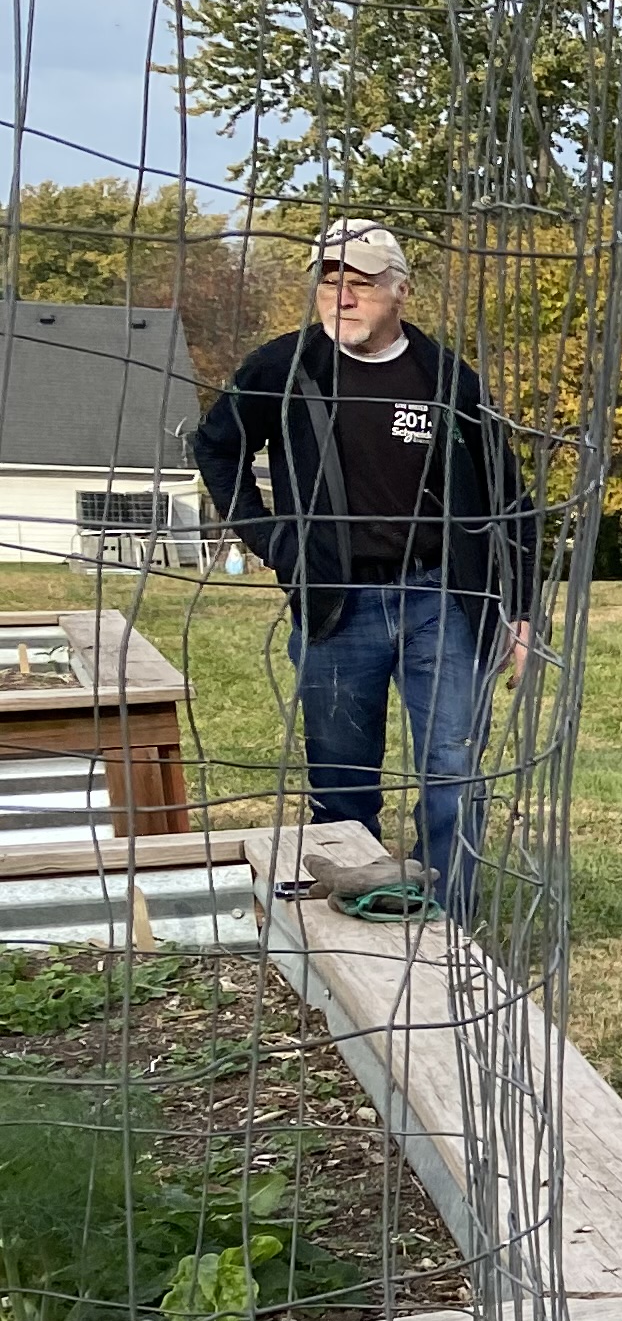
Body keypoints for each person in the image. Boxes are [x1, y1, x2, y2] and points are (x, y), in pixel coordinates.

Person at [192, 220, 534, 910]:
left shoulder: (446, 378)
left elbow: (508, 495)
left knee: (453, 770)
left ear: (400, 291)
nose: (341, 295)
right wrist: (275, 540)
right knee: (342, 783)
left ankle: (447, 924)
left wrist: (519, 612)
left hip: (442, 600)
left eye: (362, 283)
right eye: (329, 280)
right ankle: (358, 916)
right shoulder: (284, 368)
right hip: (336, 603)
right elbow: (216, 447)